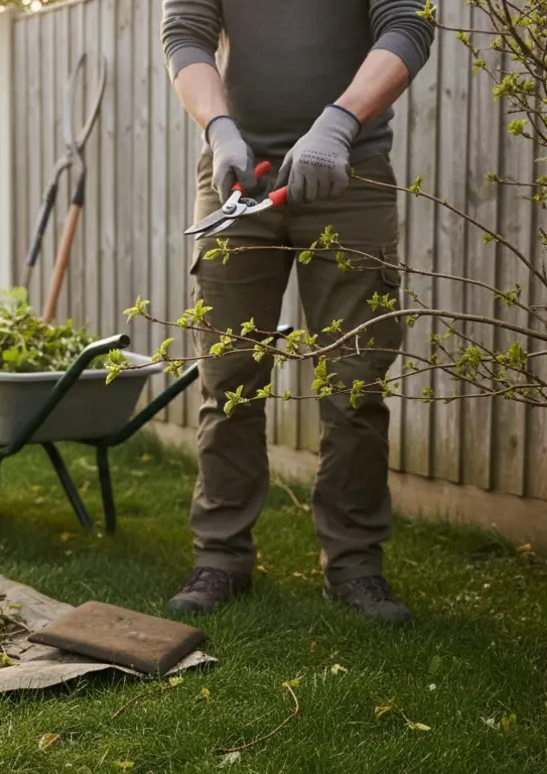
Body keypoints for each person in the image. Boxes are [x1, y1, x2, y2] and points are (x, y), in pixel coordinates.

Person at [160, 1, 436, 622]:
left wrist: (340, 123)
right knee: (229, 376)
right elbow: (186, 33)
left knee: (355, 381)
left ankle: (356, 565)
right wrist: (219, 129)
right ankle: (221, 557)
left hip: (351, 172)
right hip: (237, 174)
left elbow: (409, 24)